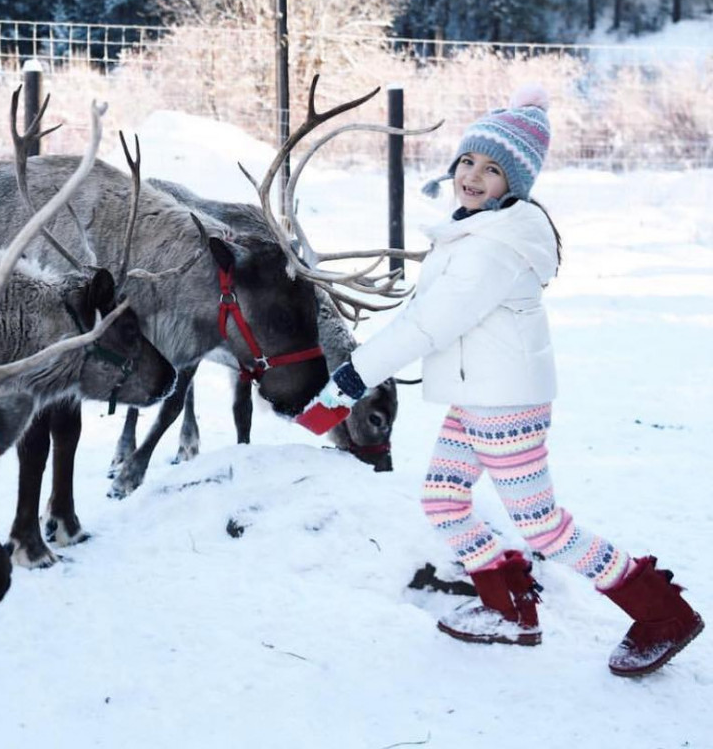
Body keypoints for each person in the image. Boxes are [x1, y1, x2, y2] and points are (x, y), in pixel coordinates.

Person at [295, 85, 703, 676]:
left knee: (543, 524)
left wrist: (349, 383)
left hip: (504, 406)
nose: (473, 176)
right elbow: (418, 315)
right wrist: (349, 375)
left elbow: (429, 325)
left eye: (492, 169)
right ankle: (510, 609)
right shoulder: (477, 230)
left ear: (515, 182)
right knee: (442, 498)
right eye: (468, 161)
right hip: (478, 396)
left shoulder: (494, 248)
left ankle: (662, 613)